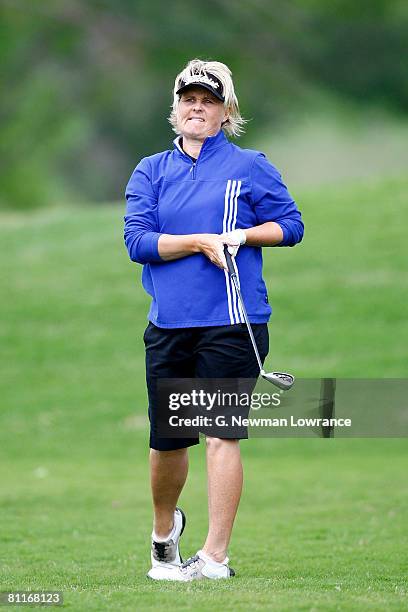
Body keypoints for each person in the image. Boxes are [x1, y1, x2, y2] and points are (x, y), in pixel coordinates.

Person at [124, 58, 304, 581]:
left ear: (227, 111)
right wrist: (197, 241)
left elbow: (291, 225)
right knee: (169, 442)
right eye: (188, 99)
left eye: (208, 100)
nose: (196, 108)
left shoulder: (250, 165)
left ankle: (214, 558)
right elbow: (138, 242)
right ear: (175, 108)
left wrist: (243, 235)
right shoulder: (150, 170)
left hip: (234, 322)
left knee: (221, 432)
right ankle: (164, 536)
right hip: (170, 324)